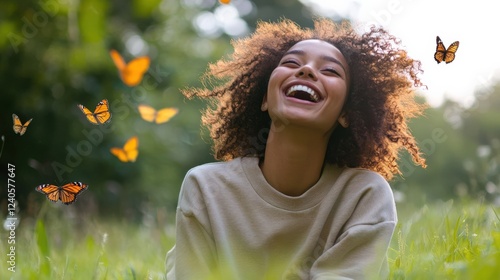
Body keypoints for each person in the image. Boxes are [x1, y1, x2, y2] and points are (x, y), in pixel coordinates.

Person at [165, 18, 426, 279]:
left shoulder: (364, 195)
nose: (307, 71)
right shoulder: (206, 187)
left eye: (330, 71)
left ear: (346, 112)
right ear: (265, 98)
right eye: (291, 63)